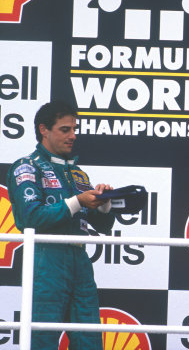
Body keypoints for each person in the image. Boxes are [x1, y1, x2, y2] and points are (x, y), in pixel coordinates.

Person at [6, 101, 118, 350]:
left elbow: (100, 225)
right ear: (43, 129)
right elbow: (29, 218)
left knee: (89, 341)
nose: (73, 136)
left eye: (74, 129)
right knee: (42, 340)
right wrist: (77, 201)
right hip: (46, 261)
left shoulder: (78, 174)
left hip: (80, 259)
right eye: (65, 129)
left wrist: (102, 206)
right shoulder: (27, 166)